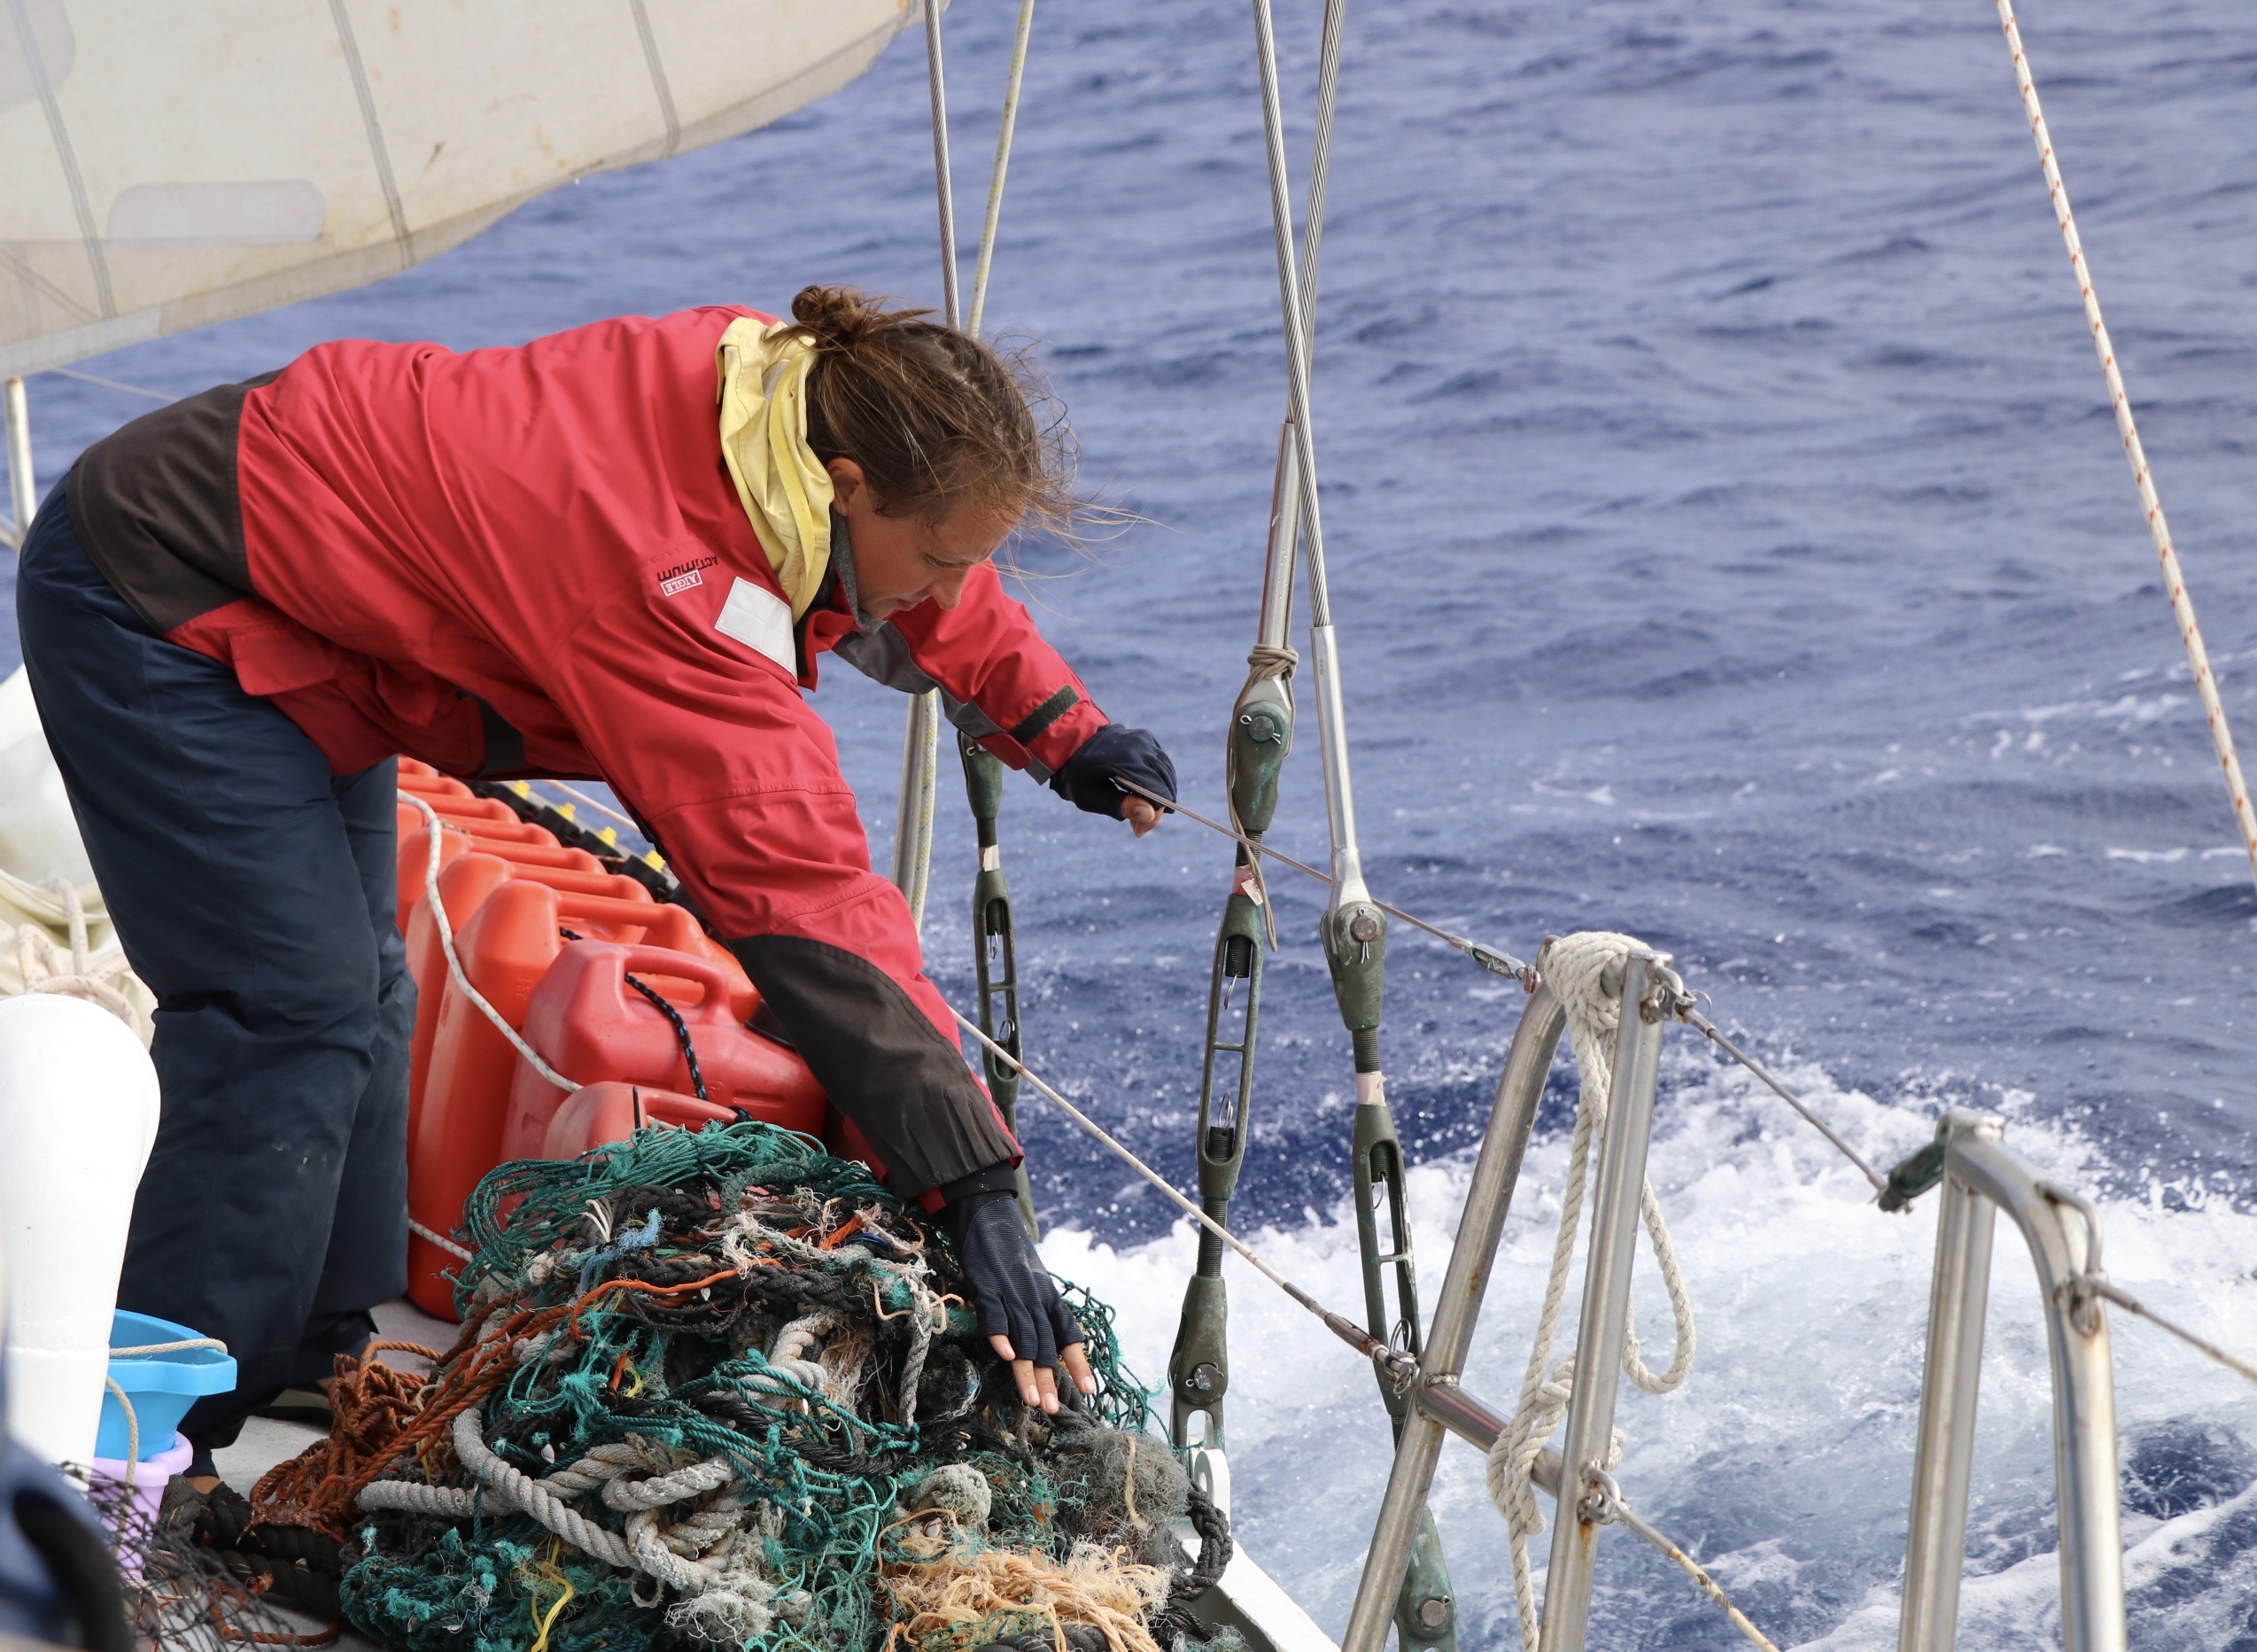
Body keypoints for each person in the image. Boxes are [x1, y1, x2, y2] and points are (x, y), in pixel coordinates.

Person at [14, 287, 1176, 1477]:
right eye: (933, 558)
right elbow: (806, 902)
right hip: (163, 593)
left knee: (364, 994)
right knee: (287, 1014)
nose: (942, 587)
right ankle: (142, 1441)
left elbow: (927, 571)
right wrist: (975, 1184)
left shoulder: (775, 393)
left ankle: (318, 1344)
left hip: (326, 627)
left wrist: (1060, 728)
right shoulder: (668, 580)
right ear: (842, 484)